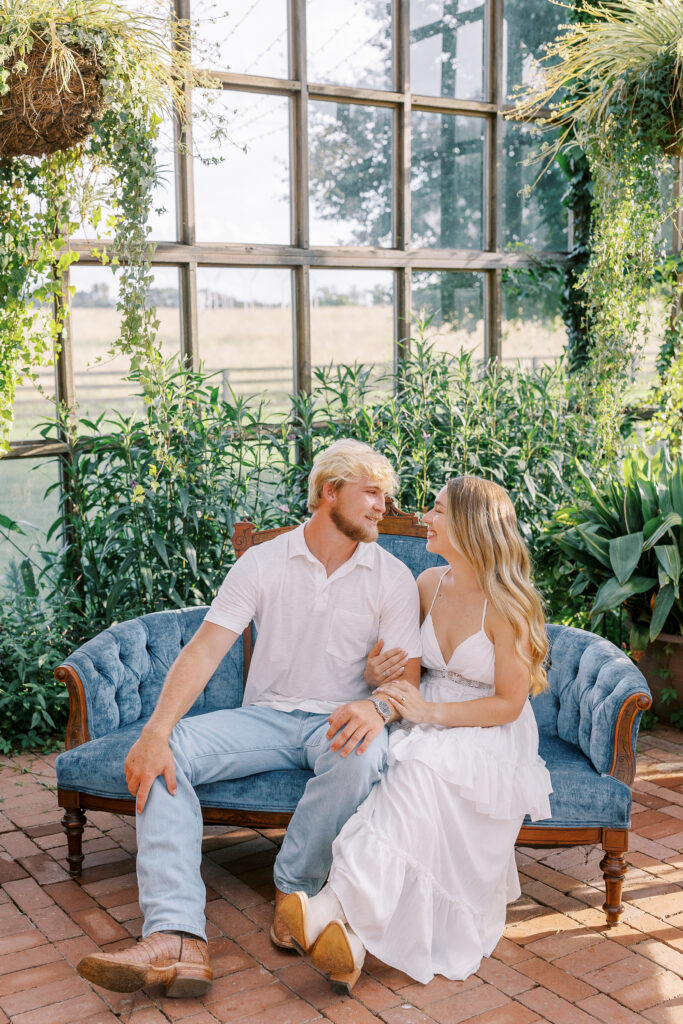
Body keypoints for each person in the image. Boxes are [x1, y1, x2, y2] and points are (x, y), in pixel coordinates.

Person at [77, 439, 422, 997]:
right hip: (263, 718)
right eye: (373, 492)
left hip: (338, 722)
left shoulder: (392, 577)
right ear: (328, 492)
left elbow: (410, 681)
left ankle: (295, 898)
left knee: (363, 757)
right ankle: (177, 934)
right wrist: (156, 732)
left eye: (388, 494)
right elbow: (205, 650)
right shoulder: (263, 562)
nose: (385, 504)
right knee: (168, 753)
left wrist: (378, 703)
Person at [279, 475, 553, 992]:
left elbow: (509, 703)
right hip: (425, 716)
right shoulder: (427, 586)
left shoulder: (511, 608)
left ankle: (330, 909)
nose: (425, 517)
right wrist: (382, 671)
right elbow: (407, 672)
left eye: (438, 510)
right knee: (398, 782)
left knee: (416, 777)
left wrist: (429, 714)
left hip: (486, 728)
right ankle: (351, 939)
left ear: (471, 525)